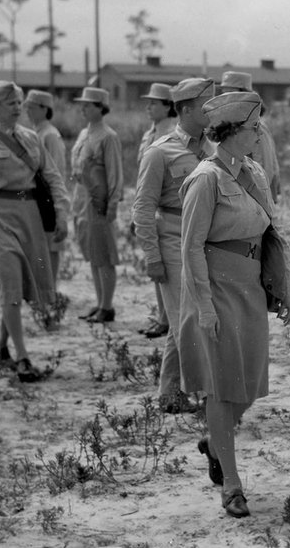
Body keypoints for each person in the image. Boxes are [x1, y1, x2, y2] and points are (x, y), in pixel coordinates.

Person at [180, 91, 290, 517]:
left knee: (248, 382)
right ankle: (231, 483)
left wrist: (282, 286)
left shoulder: (253, 172)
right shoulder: (205, 179)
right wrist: (204, 308)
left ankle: (215, 440)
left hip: (249, 288)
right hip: (216, 287)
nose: (259, 132)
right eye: (252, 127)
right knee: (223, 388)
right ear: (228, 132)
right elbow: (191, 246)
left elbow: (270, 234)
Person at [0, 81, 70, 380]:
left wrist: (62, 214)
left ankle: (0, 346)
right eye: (9, 102)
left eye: (19, 101)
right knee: (9, 283)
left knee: (21, 285)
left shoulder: (32, 139)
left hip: (30, 216)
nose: (17, 106)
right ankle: (23, 358)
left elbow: (54, 178)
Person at [133, 77, 215, 413]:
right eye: (205, 104)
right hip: (172, 240)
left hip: (206, 242)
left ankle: (170, 395)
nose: (211, 109)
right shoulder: (160, 151)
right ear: (184, 109)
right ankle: (208, 394)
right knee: (188, 318)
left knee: (183, 319)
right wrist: (152, 256)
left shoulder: (213, 149)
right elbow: (142, 207)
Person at [70, 87, 123, 324]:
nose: (84, 108)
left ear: (101, 107)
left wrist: (113, 203)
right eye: (83, 104)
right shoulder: (84, 133)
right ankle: (99, 302)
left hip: (98, 200)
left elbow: (114, 174)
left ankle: (107, 306)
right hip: (82, 198)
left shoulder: (108, 136)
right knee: (92, 253)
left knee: (104, 254)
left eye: (89, 104)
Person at [135, 83, 178, 339]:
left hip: (165, 206)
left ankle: (165, 319)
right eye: (148, 102)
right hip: (149, 203)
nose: (148, 107)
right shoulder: (150, 133)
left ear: (167, 106)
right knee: (155, 263)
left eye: (154, 103)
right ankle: (162, 317)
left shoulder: (170, 134)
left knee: (166, 268)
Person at [23, 90, 67, 288]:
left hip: (48, 197)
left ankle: (51, 288)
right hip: (36, 197)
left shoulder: (50, 135)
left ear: (44, 109)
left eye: (31, 107)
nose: (27, 111)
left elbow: (55, 172)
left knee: (51, 247)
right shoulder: (35, 133)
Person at [217, 72, 281, 203]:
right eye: (223, 93)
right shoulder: (234, 127)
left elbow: (265, 169)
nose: (224, 98)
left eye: (229, 94)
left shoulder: (255, 129)